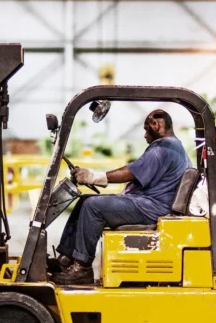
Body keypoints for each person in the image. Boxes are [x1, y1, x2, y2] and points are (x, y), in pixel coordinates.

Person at [50, 109, 190, 286]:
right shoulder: (173, 147)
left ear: (156, 125)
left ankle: (82, 267)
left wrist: (93, 177)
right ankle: (66, 259)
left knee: (93, 206)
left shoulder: (163, 149)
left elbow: (130, 172)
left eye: (147, 129)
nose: (145, 135)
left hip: (153, 207)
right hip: (150, 203)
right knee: (85, 200)